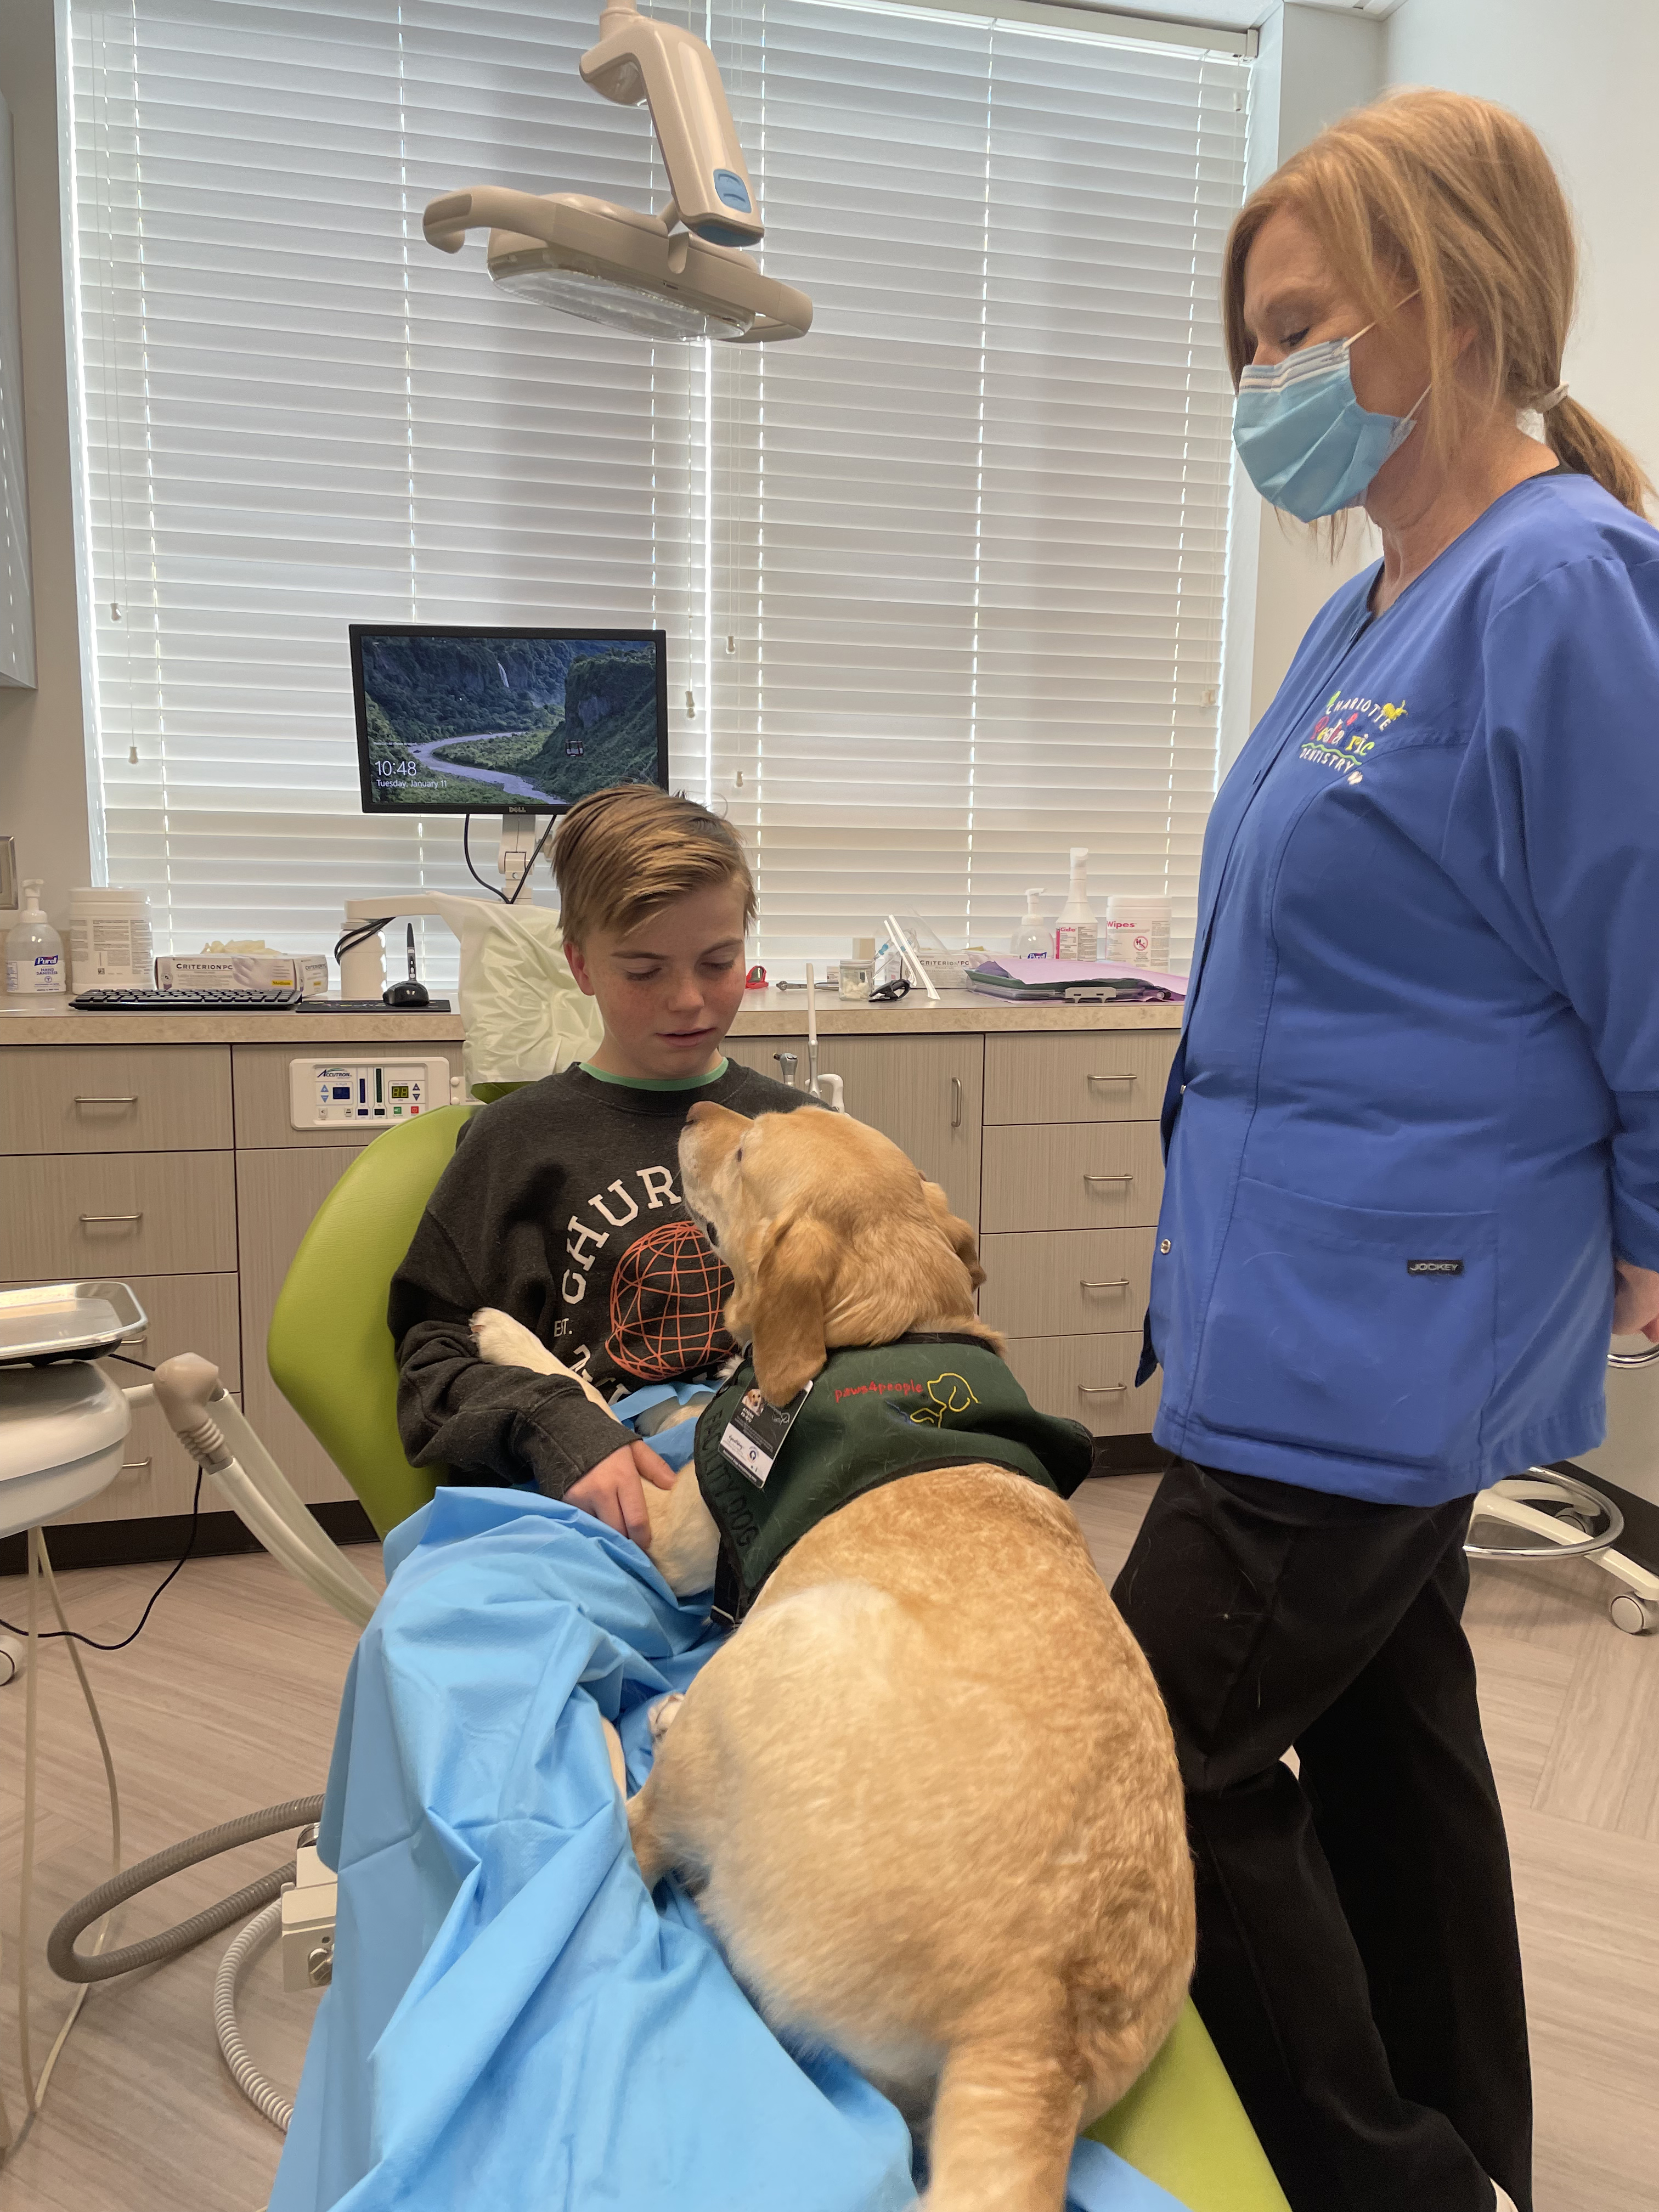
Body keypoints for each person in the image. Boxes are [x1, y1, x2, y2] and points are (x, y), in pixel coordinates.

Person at [1114, 88, 1659, 2212]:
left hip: (1382, 1321)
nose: (1265, 380)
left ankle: (1376, 2182)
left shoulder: (1568, 589)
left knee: (1145, 1749)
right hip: (1305, 1293)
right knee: (1397, 1739)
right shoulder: (1374, 606)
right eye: (1248, 340)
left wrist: (1640, 1233)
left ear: (1449, 302)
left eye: (1300, 327)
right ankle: (1471, 2145)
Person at [390, 785, 812, 1547]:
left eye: (718, 962)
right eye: (643, 972)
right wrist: (557, 1425)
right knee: (435, 1647)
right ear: (581, 966)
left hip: (782, 1501)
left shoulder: (806, 1133)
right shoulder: (514, 1143)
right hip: (583, 1512)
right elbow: (435, 1362)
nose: (689, 1001)